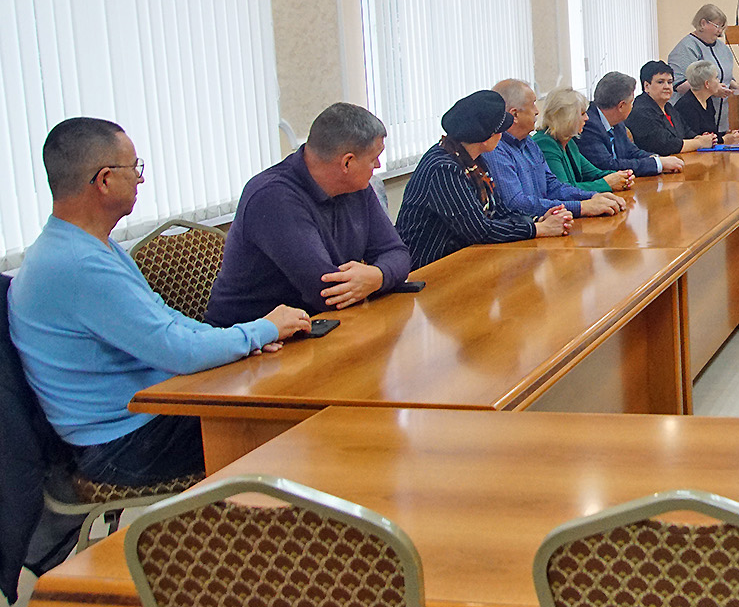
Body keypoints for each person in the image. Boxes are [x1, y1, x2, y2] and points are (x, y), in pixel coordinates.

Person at [7, 118, 310, 486]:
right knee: (296, 417)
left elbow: (164, 317)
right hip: (122, 444)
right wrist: (262, 330)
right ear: (105, 180)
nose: (140, 179)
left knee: (283, 389)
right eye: (134, 168)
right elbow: (179, 352)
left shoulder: (84, 244)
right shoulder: (76, 263)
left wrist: (245, 338)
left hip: (147, 415)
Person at [205, 103, 412, 327]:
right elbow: (326, 292)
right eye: (374, 158)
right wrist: (381, 277)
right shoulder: (273, 197)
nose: (378, 165)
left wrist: (378, 276)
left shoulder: (357, 187)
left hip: (316, 324)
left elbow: (397, 253)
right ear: (347, 162)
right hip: (252, 338)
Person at [395, 90, 570, 268]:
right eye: (500, 131)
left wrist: (538, 220)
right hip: (429, 267)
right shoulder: (443, 168)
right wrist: (538, 229)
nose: (503, 135)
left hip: (465, 259)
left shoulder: (474, 160)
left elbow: (500, 210)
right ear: (486, 138)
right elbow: (479, 230)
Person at [482, 78, 622, 220]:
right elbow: (517, 204)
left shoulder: (529, 143)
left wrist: (592, 196)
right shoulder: (496, 150)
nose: (537, 111)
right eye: (533, 104)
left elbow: (553, 186)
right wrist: (581, 207)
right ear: (515, 115)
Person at [574, 71, 685, 177]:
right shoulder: (588, 125)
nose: (632, 106)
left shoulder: (616, 121)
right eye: (631, 102)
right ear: (621, 106)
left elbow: (631, 151)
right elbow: (607, 165)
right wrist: (657, 164)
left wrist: (656, 159)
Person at [535, 88, 637, 194]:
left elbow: (594, 174)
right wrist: (606, 183)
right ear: (567, 117)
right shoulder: (545, 144)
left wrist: (621, 177)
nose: (587, 118)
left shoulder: (568, 142)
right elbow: (563, 189)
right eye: (582, 113)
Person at [667, 3, 739, 134]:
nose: (720, 31)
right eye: (717, 26)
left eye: (722, 27)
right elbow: (679, 84)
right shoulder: (685, 48)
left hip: (720, 117)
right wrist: (713, 90)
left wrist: (736, 87)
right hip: (693, 117)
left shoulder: (723, 48)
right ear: (703, 23)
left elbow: (723, 76)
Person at [628, 60, 717, 156]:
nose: (667, 87)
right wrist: (700, 143)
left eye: (670, 82)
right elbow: (667, 145)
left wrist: (701, 138)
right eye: (660, 82)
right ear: (646, 86)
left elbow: (687, 132)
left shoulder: (668, 107)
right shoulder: (641, 111)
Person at [674, 60, 739, 143]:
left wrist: (727, 135)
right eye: (716, 78)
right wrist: (724, 139)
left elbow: (711, 133)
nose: (718, 81)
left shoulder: (707, 100)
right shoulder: (687, 106)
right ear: (707, 84)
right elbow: (695, 139)